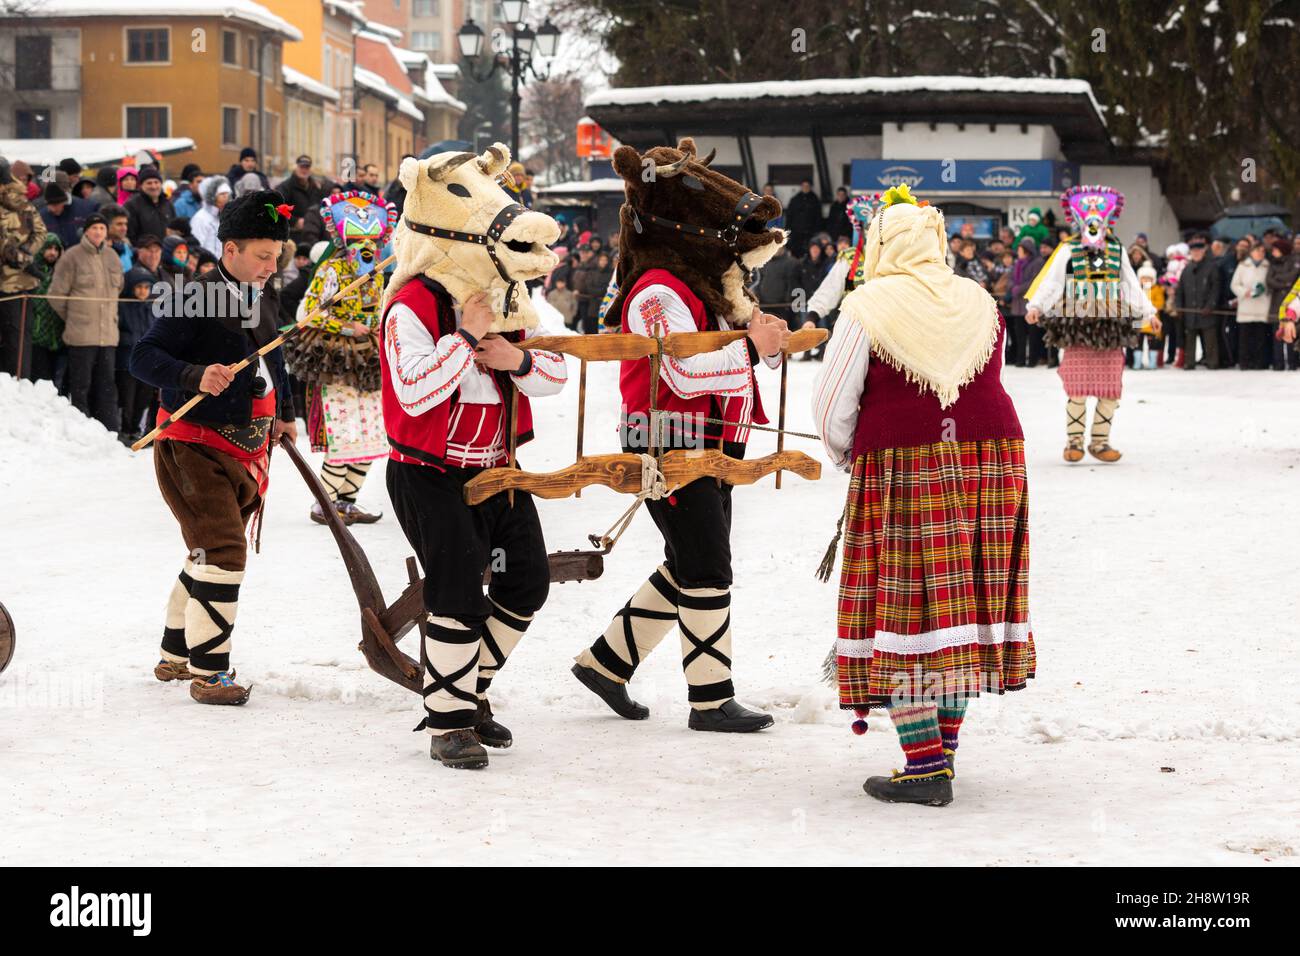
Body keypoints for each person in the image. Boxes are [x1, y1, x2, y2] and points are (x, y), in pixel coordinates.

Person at [811, 184, 1033, 806]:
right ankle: (946, 750)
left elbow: (832, 402)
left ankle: (925, 764)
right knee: (962, 598)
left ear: (881, 243)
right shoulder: (980, 300)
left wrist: (849, 454)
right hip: (992, 461)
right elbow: (990, 378)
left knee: (908, 602)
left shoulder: (867, 304)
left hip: (905, 465)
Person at [570, 137, 790, 733]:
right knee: (707, 566)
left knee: (691, 559)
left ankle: (607, 663)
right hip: (668, 440)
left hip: (707, 442)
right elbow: (681, 371)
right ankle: (710, 699)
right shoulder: (659, 287)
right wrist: (752, 348)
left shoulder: (696, 286)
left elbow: (719, 363)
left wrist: (759, 344)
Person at [130, 190, 296, 705]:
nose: (272, 266)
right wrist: (194, 374)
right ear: (230, 249)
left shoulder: (263, 293)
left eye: (276, 256)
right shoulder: (192, 296)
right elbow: (142, 356)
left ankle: (175, 653)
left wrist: (286, 414)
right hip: (191, 444)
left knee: (206, 549)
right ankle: (210, 671)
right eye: (262, 255)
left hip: (246, 444)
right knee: (223, 549)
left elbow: (276, 360)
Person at [283, 189, 395, 525]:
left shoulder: (376, 271)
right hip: (337, 358)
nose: (367, 249)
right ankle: (325, 503)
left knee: (373, 433)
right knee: (345, 432)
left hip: (370, 357)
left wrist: (377, 326)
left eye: (372, 243)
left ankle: (347, 501)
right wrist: (347, 328)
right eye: (360, 242)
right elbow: (307, 313)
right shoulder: (330, 270)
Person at [1026, 185, 1158, 462]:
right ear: (1080, 220)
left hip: (1111, 324)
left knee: (1110, 387)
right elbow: (1053, 281)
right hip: (1077, 322)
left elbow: (1131, 285)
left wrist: (1150, 313)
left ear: (1108, 221)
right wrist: (1036, 305)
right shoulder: (1068, 249)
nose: (1094, 223)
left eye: (1099, 219)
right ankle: (1074, 441)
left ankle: (1100, 442)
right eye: (1089, 219)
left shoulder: (1117, 249)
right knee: (1076, 386)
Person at [49, 212, 124, 431]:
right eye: (94, 228)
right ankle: (82, 430)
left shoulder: (112, 256)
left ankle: (110, 430)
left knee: (107, 385)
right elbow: (56, 296)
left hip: (108, 334)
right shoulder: (71, 256)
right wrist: (75, 316)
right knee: (81, 385)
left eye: (102, 228)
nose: (99, 232)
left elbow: (118, 289)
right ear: (87, 231)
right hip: (81, 335)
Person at [1, 158, 49, 378]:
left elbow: (40, 232)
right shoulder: (24, 202)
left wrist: (25, 253)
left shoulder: (23, 203)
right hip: (19, 279)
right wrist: (21, 254)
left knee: (18, 342)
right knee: (17, 340)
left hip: (17, 283)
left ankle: (18, 387)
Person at [116, 266, 157, 443]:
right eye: (139, 287)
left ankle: (136, 429)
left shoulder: (152, 308)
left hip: (147, 364)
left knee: (143, 398)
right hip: (127, 362)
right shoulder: (123, 306)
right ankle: (125, 429)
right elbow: (120, 330)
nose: (143, 291)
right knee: (127, 398)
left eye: (146, 288)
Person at [1174, 239, 1221, 370]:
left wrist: (1210, 306)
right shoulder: (1187, 269)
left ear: (1204, 251)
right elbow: (1180, 290)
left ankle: (1212, 362)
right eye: (1193, 251)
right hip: (1190, 311)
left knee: (1210, 338)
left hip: (1206, 311)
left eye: (1198, 250)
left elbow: (1215, 289)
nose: (1196, 253)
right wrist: (1179, 306)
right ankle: (1189, 362)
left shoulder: (1211, 267)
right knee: (1189, 338)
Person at [27, 234, 66, 388]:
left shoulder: (62, 271)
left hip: (57, 335)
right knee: (40, 380)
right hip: (37, 335)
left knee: (56, 383)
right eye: (49, 248)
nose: (53, 252)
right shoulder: (32, 271)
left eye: (56, 249)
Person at [1231, 242, 1273, 370]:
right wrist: (1245, 292)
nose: (1260, 253)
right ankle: (1245, 362)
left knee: (1261, 337)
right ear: (1251, 252)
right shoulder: (1243, 266)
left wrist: (1263, 290)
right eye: (1257, 250)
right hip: (1246, 306)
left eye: (1262, 251)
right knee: (1245, 338)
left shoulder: (1268, 266)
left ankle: (1260, 362)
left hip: (1262, 305)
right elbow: (1234, 284)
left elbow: (1271, 283)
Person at [1006, 237, 1043, 367]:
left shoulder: (1037, 262)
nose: (1018, 252)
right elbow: (1010, 278)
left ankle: (1032, 360)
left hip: (1030, 303)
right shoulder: (1017, 263)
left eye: (1020, 249)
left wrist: (1018, 289)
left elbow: (1035, 281)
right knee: (1019, 334)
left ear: (1027, 250)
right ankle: (1020, 359)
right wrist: (1013, 287)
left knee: (1033, 334)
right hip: (1017, 305)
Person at [275, 155, 326, 246]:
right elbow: (278, 209)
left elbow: (321, 207)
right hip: (292, 236)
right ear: (296, 167)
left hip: (313, 235)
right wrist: (295, 221)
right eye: (302, 167)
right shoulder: (285, 187)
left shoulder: (316, 187)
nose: (304, 170)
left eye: (307, 167)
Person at [1266, 237, 1299, 370]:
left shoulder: (1294, 261)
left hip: (1291, 301)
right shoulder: (1273, 263)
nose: (1273, 252)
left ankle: (1293, 363)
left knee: (1292, 335)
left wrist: (1279, 279)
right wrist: (1284, 283)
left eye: (1275, 249)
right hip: (1278, 304)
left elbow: (1292, 277)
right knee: (1279, 335)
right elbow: (1269, 281)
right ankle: (1278, 364)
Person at [190, 175, 231, 257]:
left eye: (227, 194)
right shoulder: (200, 218)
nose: (225, 197)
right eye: (222, 194)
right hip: (207, 265)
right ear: (212, 197)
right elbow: (196, 246)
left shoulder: (226, 217)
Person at [38, 181, 86, 248]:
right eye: (49, 205)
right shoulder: (41, 217)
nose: (53, 209)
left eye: (55, 205)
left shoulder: (77, 212)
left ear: (63, 202)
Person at [783, 179, 822, 258]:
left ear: (810, 187)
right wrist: (787, 230)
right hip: (796, 232)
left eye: (807, 186)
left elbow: (818, 217)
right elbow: (789, 216)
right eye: (804, 186)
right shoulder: (795, 199)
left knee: (809, 253)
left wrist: (816, 231)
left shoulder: (815, 200)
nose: (805, 187)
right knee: (795, 252)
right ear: (801, 187)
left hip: (810, 233)